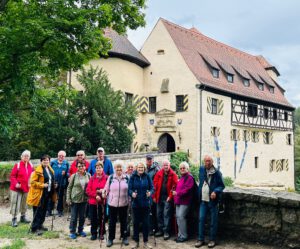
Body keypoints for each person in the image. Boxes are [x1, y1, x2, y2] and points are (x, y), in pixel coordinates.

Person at [195, 155, 225, 248]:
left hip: (213, 201)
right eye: (206, 161)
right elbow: (200, 181)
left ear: (212, 162)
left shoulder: (217, 173)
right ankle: (200, 239)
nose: (207, 163)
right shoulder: (201, 169)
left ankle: (212, 240)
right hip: (203, 200)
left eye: (209, 161)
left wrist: (215, 191)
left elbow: (222, 186)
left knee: (213, 221)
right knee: (201, 219)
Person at [27, 155, 57, 235]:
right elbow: (32, 182)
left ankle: (40, 225)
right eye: (44, 160)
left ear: (49, 161)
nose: (46, 161)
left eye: (47, 160)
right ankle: (34, 228)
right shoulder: (38, 170)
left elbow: (51, 179)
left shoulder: (50, 169)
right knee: (38, 211)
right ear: (41, 161)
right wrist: (42, 185)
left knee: (44, 211)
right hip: (39, 194)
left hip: (48, 193)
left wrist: (54, 184)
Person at [103, 160, 129, 247]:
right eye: (117, 168)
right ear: (114, 168)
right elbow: (106, 188)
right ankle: (111, 238)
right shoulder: (111, 178)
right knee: (112, 222)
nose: (119, 169)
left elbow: (130, 190)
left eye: (120, 168)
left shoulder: (127, 178)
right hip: (112, 204)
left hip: (124, 203)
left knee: (124, 221)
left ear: (123, 169)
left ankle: (124, 237)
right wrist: (104, 192)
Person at [129, 162, 154, 249]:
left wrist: (150, 193)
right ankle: (136, 242)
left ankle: (145, 242)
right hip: (136, 204)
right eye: (139, 167)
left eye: (142, 168)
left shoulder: (147, 176)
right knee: (136, 223)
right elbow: (129, 189)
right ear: (137, 168)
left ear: (144, 168)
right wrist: (132, 194)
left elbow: (152, 187)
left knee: (146, 223)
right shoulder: (133, 177)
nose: (140, 169)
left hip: (146, 204)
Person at [153, 159, 178, 240]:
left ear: (169, 165)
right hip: (159, 197)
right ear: (162, 166)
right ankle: (160, 230)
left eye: (167, 165)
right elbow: (154, 185)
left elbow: (174, 186)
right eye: (164, 165)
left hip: (167, 198)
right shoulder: (159, 173)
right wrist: (154, 196)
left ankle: (166, 231)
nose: (166, 166)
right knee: (158, 214)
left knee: (166, 214)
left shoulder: (173, 174)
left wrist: (170, 196)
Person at [9, 150, 34, 227]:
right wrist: (16, 183)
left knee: (24, 204)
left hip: (26, 188)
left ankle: (23, 217)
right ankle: (14, 218)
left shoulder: (31, 165)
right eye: (25, 156)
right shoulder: (18, 165)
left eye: (28, 156)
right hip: (17, 188)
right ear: (21, 157)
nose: (26, 157)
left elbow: (33, 175)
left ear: (29, 157)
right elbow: (12, 176)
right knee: (15, 203)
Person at [67, 161, 90, 239]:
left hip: (84, 199)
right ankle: (72, 231)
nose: (81, 168)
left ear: (85, 167)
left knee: (82, 216)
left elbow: (90, 187)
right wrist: (68, 198)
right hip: (75, 199)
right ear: (77, 167)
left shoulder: (88, 175)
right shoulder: (73, 176)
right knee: (73, 217)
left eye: (83, 166)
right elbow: (69, 188)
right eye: (79, 166)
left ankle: (80, 230)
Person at [172, 161, 194, 243]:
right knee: (178, 217)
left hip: (185, 201)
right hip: (179, 200)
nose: (182, 169)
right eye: (181, 168)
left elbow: (187, 189)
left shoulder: (189, 178)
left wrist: (177, 193)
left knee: (181, 217)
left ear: (187, 169)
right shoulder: (182, 177)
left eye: (184, 168)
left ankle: (184, 236)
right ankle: (180, 235)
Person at [86, 161, 107, 240]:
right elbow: (88, 190)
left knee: (101, 218)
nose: (98, 169)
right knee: (93, 218)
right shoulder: (92, 178)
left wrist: (103, 192)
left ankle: (101, 233)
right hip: (93, 202)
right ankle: (94, 233)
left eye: (100, 168)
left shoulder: (106, 178)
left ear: (102, 168)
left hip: (102, 202)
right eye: (97, 168)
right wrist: (95, 195)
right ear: (95, 169)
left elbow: (108, 189)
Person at [47, 150, 70, 217]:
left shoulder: (66, 163)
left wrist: (65, 173)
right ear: (57, 155)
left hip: (62, 183)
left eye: (63, 156)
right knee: (51, 196)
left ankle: (60, 211)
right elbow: (48, 171)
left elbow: (68, 173)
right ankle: (49, 211)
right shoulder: (53, 162)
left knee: (60, 198)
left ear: (64, 157)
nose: (61, 157)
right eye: (60, 155)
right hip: (53, 182)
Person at [145, 154, 160, 234]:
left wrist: (154, 195)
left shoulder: (156, 169)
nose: (149, 161)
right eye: (148, 159)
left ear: (153, 160)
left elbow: (157, 183)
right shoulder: (145, 169)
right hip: (147, 194)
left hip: (154, 194)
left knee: (154, 212)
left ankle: (155, 229)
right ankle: (151, 228)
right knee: (149, 211)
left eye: (150, 159)